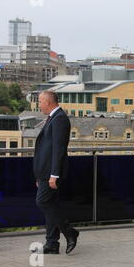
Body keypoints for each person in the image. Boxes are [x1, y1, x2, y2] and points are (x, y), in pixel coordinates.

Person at [34, 91, 79, 254]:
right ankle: (52, 243)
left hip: (51, 172)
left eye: (40, 102)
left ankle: (69, 231)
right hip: (45, 171)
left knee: (43, 202)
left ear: (48, 102)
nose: (39, 105)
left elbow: (58, 150)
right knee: (50, 204)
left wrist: (54, 174)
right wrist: (40, 175)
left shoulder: (60, 118)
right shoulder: (54, 117)